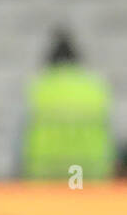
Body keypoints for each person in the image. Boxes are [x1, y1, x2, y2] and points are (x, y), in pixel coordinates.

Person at [22, 29, 113, 181]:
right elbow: (110, 134)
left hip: (45, 174)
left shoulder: (38, 87)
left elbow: (21, 138)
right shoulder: (96, 86)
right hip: (90, 174)